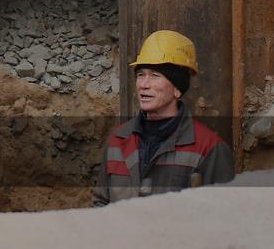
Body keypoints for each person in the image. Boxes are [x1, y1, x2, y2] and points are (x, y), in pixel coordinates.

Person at [93, 30, 235, 206]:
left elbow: (223, 214)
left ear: (177, 89)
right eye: (140, 74)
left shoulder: (209, 148)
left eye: (155, 75)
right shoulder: (118, 140)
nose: (144, 84)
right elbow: (101, 203)